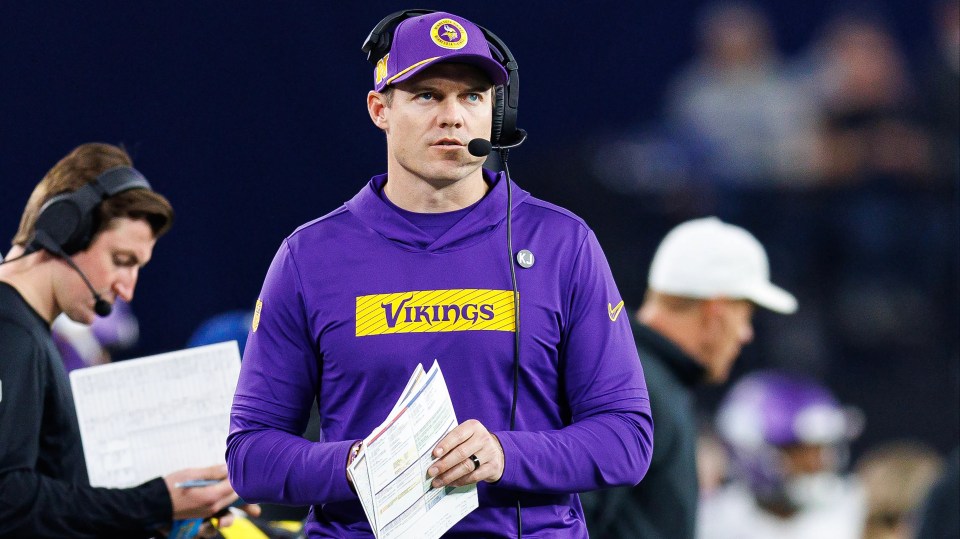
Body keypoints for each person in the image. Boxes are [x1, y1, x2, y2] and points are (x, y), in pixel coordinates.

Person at [226, 10, 653, 538]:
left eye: (472, 96)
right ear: (379, 108)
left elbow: (626, 440)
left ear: (496, 114)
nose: (453, 115)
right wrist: (360, 465)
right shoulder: (309, 257)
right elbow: (250, 456)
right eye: (428, 95)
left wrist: (505, 453)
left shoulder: (563, 245)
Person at [0, 142, 258, 538]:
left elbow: (52, 506)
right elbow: (8, 501)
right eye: (121, 260)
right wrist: (157, 501)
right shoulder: (11, 332)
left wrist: (174, 517)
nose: (127, 290)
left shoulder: (25, 331)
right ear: (63, 229)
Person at [581, 216, 797, 538]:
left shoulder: (642, 376)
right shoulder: (637, 386)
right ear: (716, 310)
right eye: (745, 315)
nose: (746, 335)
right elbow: (572, 516)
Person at [697, 370, 866, 539]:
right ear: (751, 453)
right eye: (801, 451)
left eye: (824, 448)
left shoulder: (859, 510)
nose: (819, 462)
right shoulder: (712, 524)